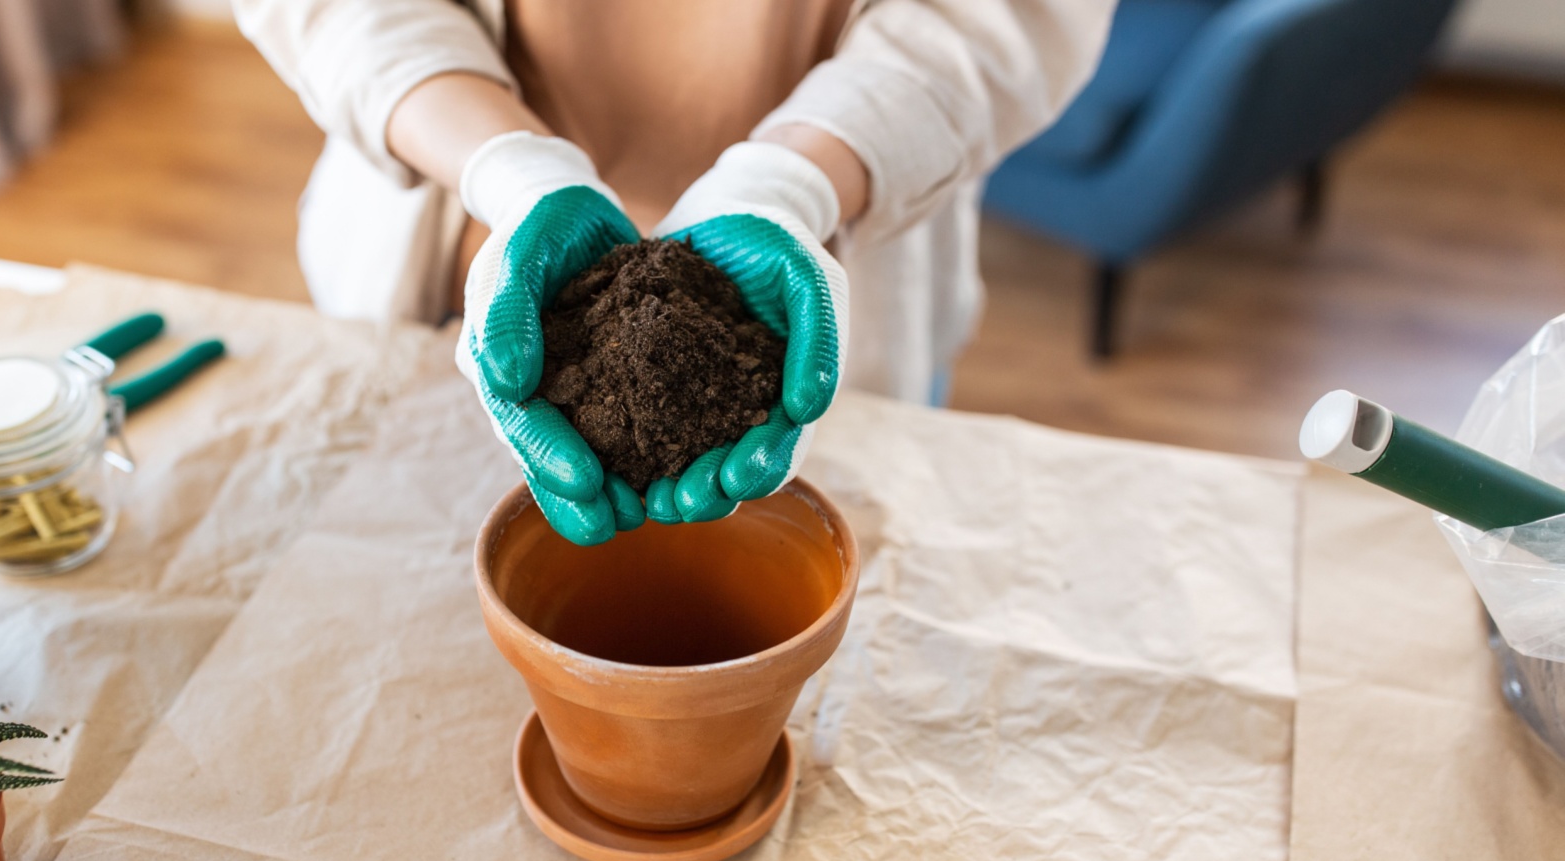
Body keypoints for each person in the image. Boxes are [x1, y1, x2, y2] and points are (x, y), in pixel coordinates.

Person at [233, 0, 1113, 543]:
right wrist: (508, 169)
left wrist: (792, 180)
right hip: (472, 225)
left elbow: (1005, 15)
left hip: (826, 233)